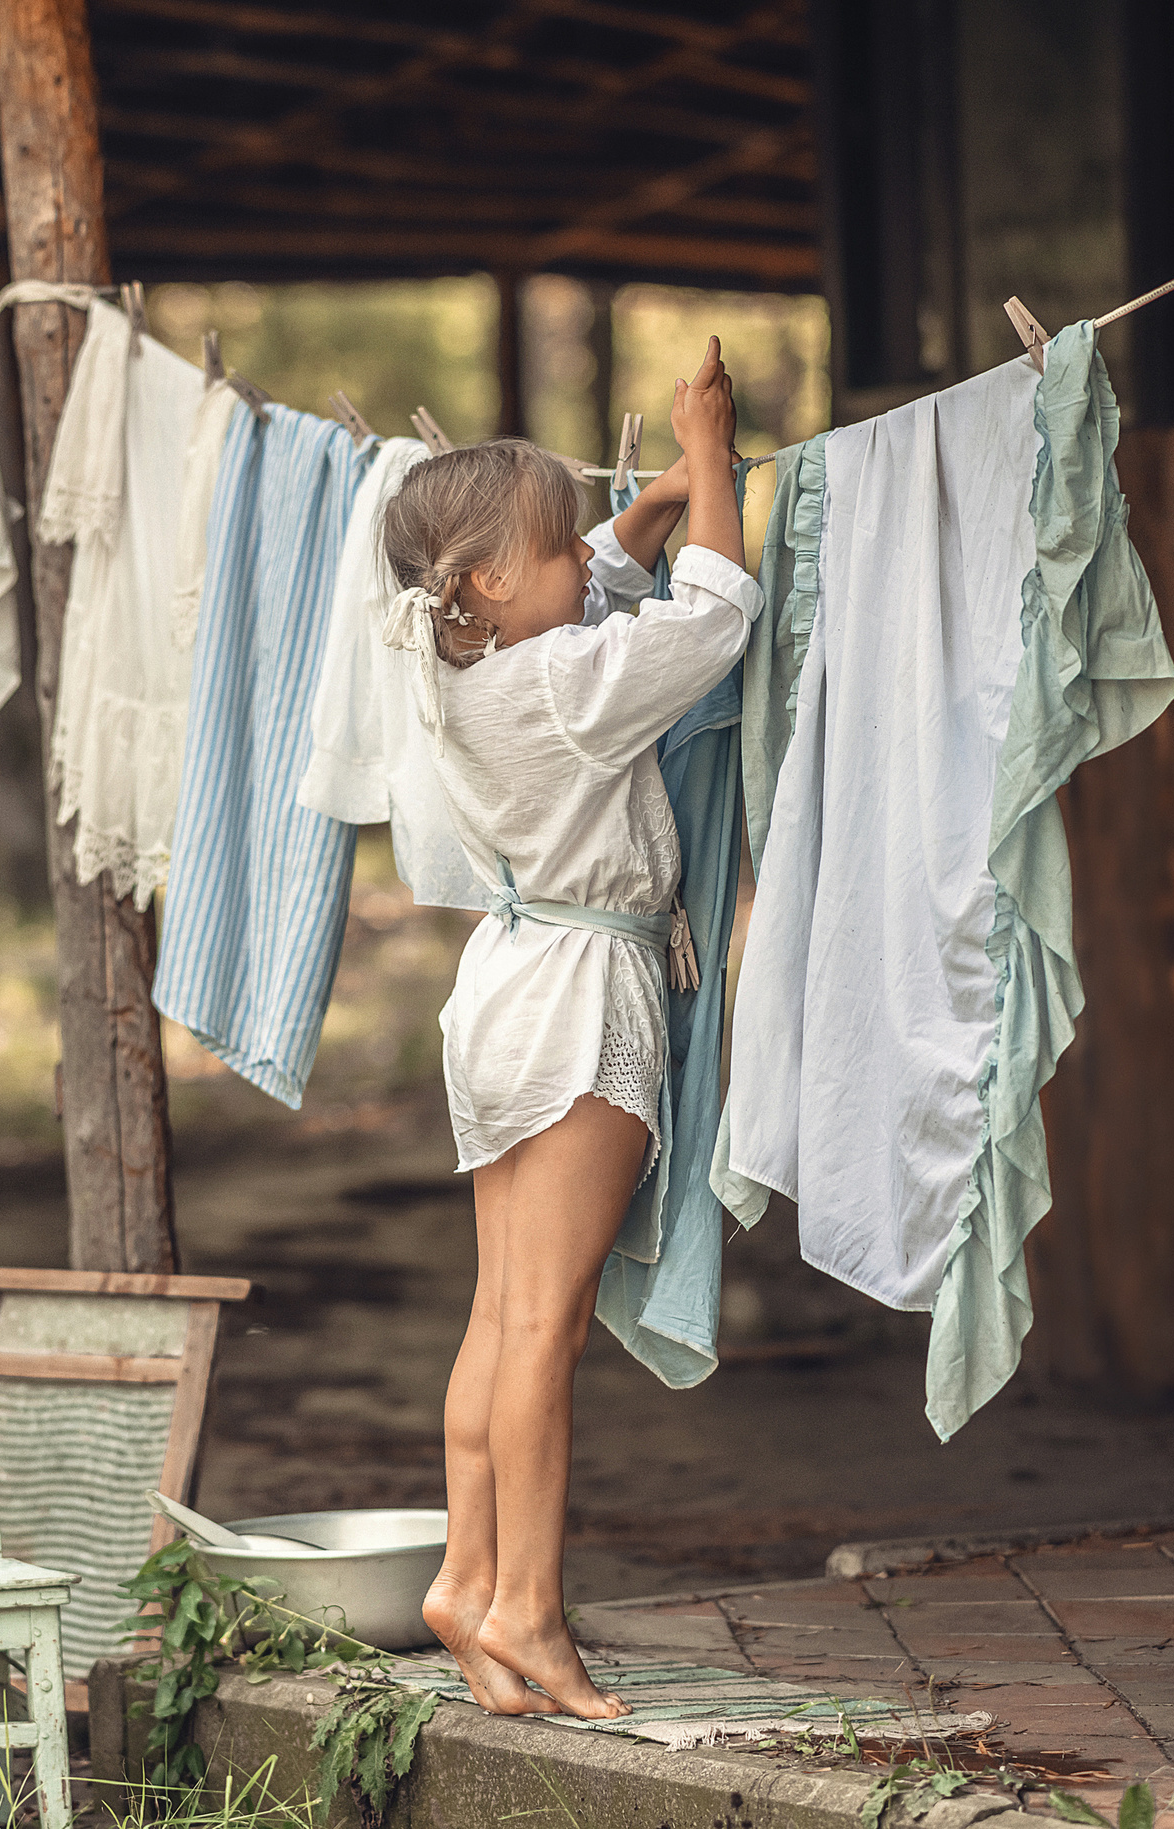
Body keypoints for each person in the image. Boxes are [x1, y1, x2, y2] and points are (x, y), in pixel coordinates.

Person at [377, 339, 757, 1717]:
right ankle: (529, 1606)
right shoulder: (560, 684)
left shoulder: (462, 667)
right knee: (547, 1328)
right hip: (582, 995)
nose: (580, 570)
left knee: (499, 1314)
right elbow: (715, 618)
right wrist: (710, 456)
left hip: (503, 981)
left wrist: (635, 513)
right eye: (552, 555)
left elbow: (579, 575)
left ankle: (468, 1583)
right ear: (486, 582)